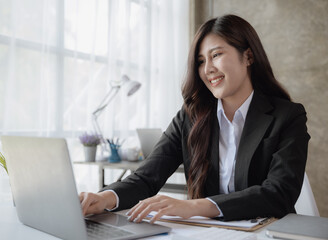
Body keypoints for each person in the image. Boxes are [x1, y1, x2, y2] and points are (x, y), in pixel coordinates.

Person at [79, 14, 310, 223]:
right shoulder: (190, 116)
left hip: (266, 231)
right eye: (200, 61)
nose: (207, 69)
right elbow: (146, 177)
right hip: (208, 233)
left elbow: (279, 193)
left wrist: (194, 207)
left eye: (216, 55)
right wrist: (104, 198)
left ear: (248, 56)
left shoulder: (287, 116)